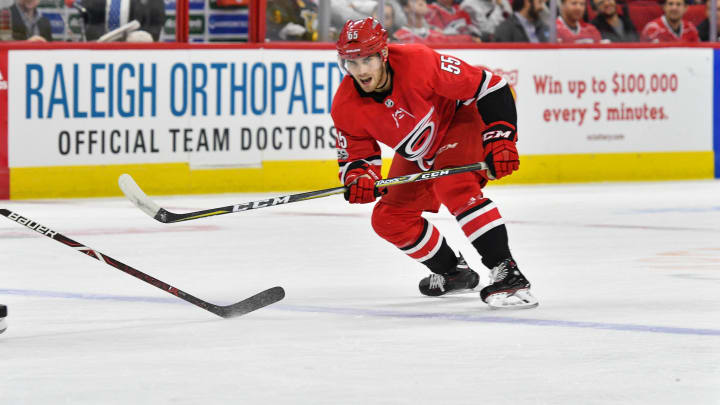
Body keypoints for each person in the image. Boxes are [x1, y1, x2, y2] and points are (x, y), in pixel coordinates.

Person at [331, 17, 538, 309]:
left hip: (461, 120)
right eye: (352, 63)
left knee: (453, 184)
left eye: (368, 60)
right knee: (389, 219)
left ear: (384, 54)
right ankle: (453, 272)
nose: (361, 71)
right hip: (422, 151)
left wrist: (501, 138)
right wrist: (359, 179)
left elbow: (492, 86)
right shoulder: (345, 106)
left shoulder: (418, 62)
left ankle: (507, 272)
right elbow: (357, 157)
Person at [394, 0, 476, 43]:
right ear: (405, 8)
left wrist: (471, 39)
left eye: (423, 0)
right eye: (415, 0)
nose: (421, 2)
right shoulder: (399, 37)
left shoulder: (436, 33)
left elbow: (452, 40)